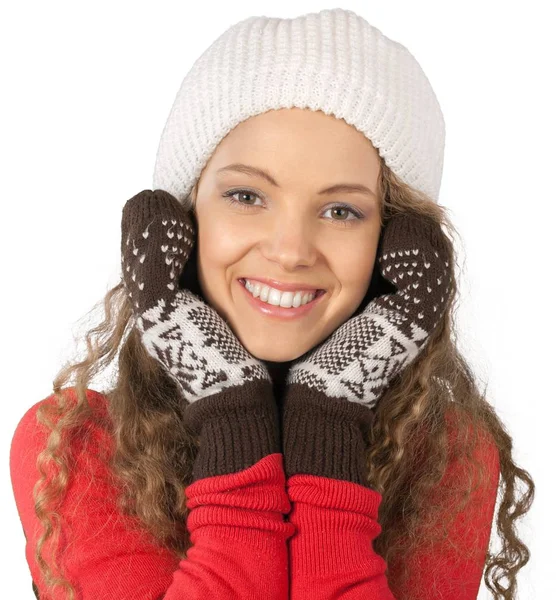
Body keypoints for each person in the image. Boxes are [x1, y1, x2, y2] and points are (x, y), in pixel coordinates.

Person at [9, 8, 533, 600]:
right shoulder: (73, 445)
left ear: (390, 243)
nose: (289, 251)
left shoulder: (445, 459)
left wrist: (330, 416)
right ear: (185, 216)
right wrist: (229, 407)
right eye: (246, 195)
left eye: (341, 211)